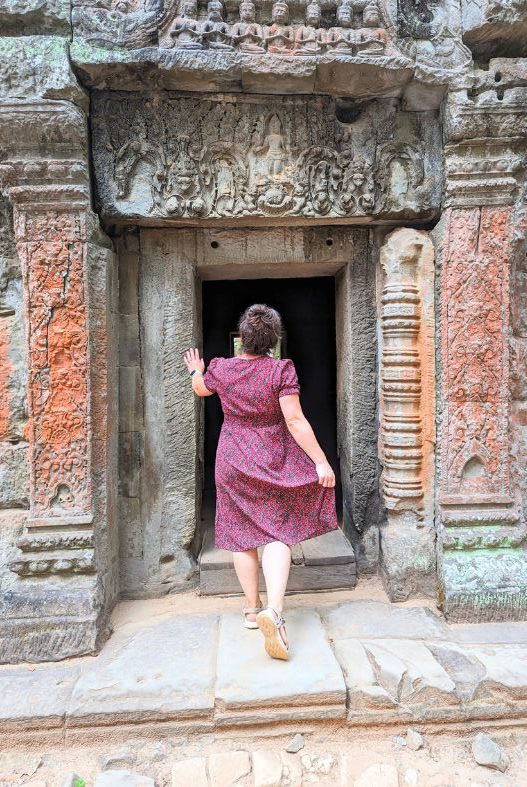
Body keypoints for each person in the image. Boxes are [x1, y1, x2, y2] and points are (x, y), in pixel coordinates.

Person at [183, 303, 338, 661]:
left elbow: (200, 390)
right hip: (272, 459)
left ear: (243, 340)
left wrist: (196, 370)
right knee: (277, 532)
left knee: (241, 533)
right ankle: (275, 609)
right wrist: (320, 461)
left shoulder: (221, 369)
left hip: (233, 459)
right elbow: (296, 421)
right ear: (273, 340)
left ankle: (252, 610)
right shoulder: (281, 370)